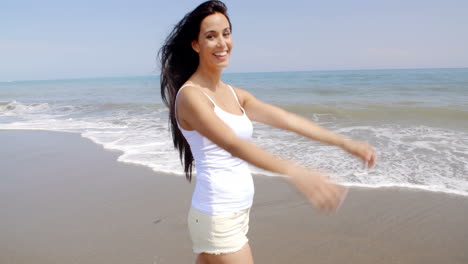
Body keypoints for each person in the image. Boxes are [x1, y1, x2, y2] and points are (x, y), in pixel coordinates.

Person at [159, 1, 376, 263]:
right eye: (211, 36)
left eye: (226, 33)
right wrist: (295, 171)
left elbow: (287, 120)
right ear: (196, 44)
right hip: (219, 216)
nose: (222, 43)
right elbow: (232, 143)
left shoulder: (234, 94)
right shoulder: (191, 97)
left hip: (234, 214)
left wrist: (344, 142)